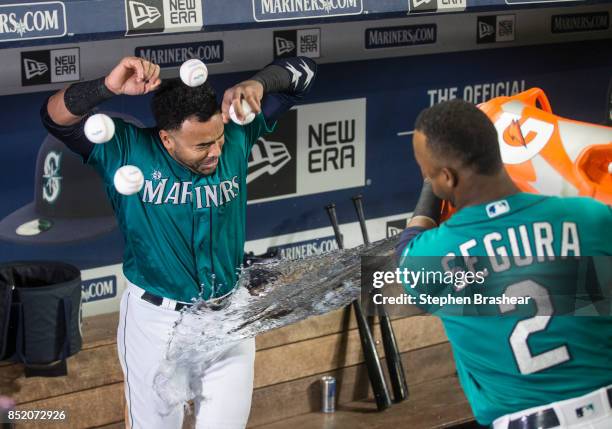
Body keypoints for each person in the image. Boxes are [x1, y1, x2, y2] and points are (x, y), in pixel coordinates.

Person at [41, 55, 317, 429]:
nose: (216, 151)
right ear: (167, 138)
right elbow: (53, 116)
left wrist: (260, 83)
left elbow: (304, 71)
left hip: (228, 316)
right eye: (202, 145)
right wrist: (108, 85)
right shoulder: (125, 148)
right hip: (156, 321)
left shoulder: (236, 131)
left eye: (218, 138)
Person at [396, 100, 612, 429]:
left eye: (427, 172)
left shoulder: (436, 254)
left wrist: (430, 188)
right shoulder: (591, 216)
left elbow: (405, 252)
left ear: (447, 178)